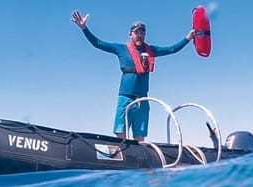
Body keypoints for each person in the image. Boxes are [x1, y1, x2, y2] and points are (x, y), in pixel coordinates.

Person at [71, 11, 194, 140]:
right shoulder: (121, 49)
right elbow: (98, 43)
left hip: (142, 100)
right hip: (125, 98)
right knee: (120, 133)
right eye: (137, 32)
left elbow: (172, 49)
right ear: (130, 34)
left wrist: (188, 38)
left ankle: (140, 158)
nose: (140, 35)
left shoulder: (151, 50)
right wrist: (84, 28)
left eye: (142, 32)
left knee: (140, 138)